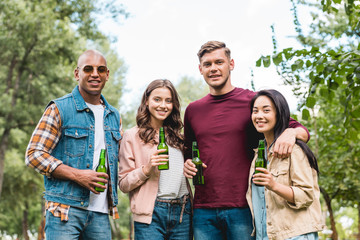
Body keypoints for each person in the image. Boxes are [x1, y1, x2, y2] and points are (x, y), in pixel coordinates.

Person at [183, 41, 310, 240]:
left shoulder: (253, 102)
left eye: (219, 62)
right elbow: (189, 153)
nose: (214, 68)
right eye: (207, 64)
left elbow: (300, 129)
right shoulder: (193, 110)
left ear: (231, 64)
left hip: (245, 206)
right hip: (203, 210)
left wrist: (291, 133)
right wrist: (188, 164)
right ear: (200, 69)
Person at [25, 50, 122, 240]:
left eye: (100, 69)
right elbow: (34, 154)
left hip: (101, 213)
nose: (95, 74)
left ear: (107, 75)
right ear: (77, 74)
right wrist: (78, 175)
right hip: (64, 210)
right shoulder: (60, 108)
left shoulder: (114, 116)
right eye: (88, 69)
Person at [119, 79, 192, 240]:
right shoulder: (132, 136)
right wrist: (146, 169)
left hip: (182, 212)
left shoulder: (179, 137)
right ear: (147, 101)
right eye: (157, 99)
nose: (163, 105)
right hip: (151, 214)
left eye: (168, 101)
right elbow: (123, 184)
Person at [246, 89, 324, 239]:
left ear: (279, 113)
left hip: (295, 235)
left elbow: (307, 195)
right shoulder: (258, 155)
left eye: (266, 110)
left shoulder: (294, 149)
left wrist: (274, 185)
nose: (259, 116)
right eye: (255, 111)